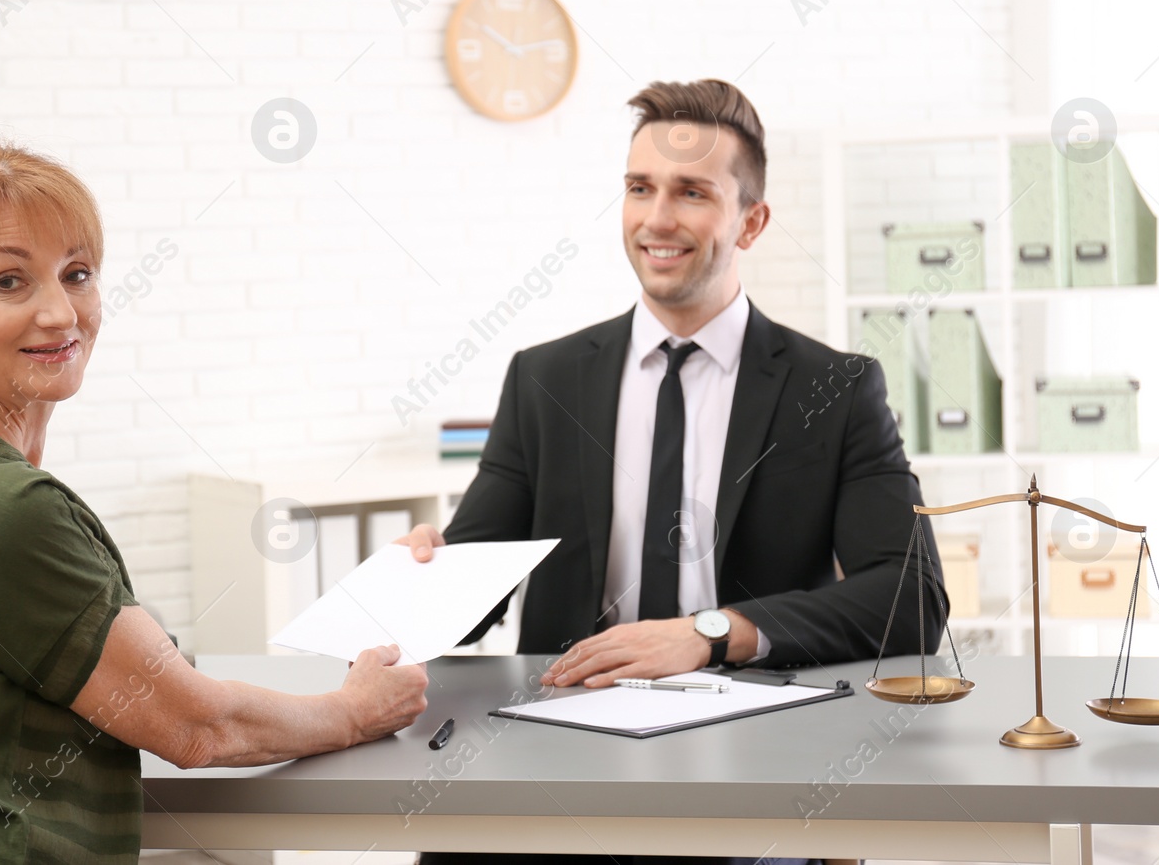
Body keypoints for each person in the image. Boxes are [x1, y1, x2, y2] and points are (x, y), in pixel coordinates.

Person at [0, 140, 428, 865]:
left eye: (76, 274)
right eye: (10, 281)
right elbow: (196, 728)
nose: (60, 312)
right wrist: (351, 710)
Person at [400, 79, 945, 865]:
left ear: (750, 220)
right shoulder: (545, 378)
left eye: (691, 192)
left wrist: (710, 634)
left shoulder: (835, 389)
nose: (657, 219)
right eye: (639, 189)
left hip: (750, 757)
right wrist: (426, 575)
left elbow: (912, 596)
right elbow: (471, 589)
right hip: (558, 747)